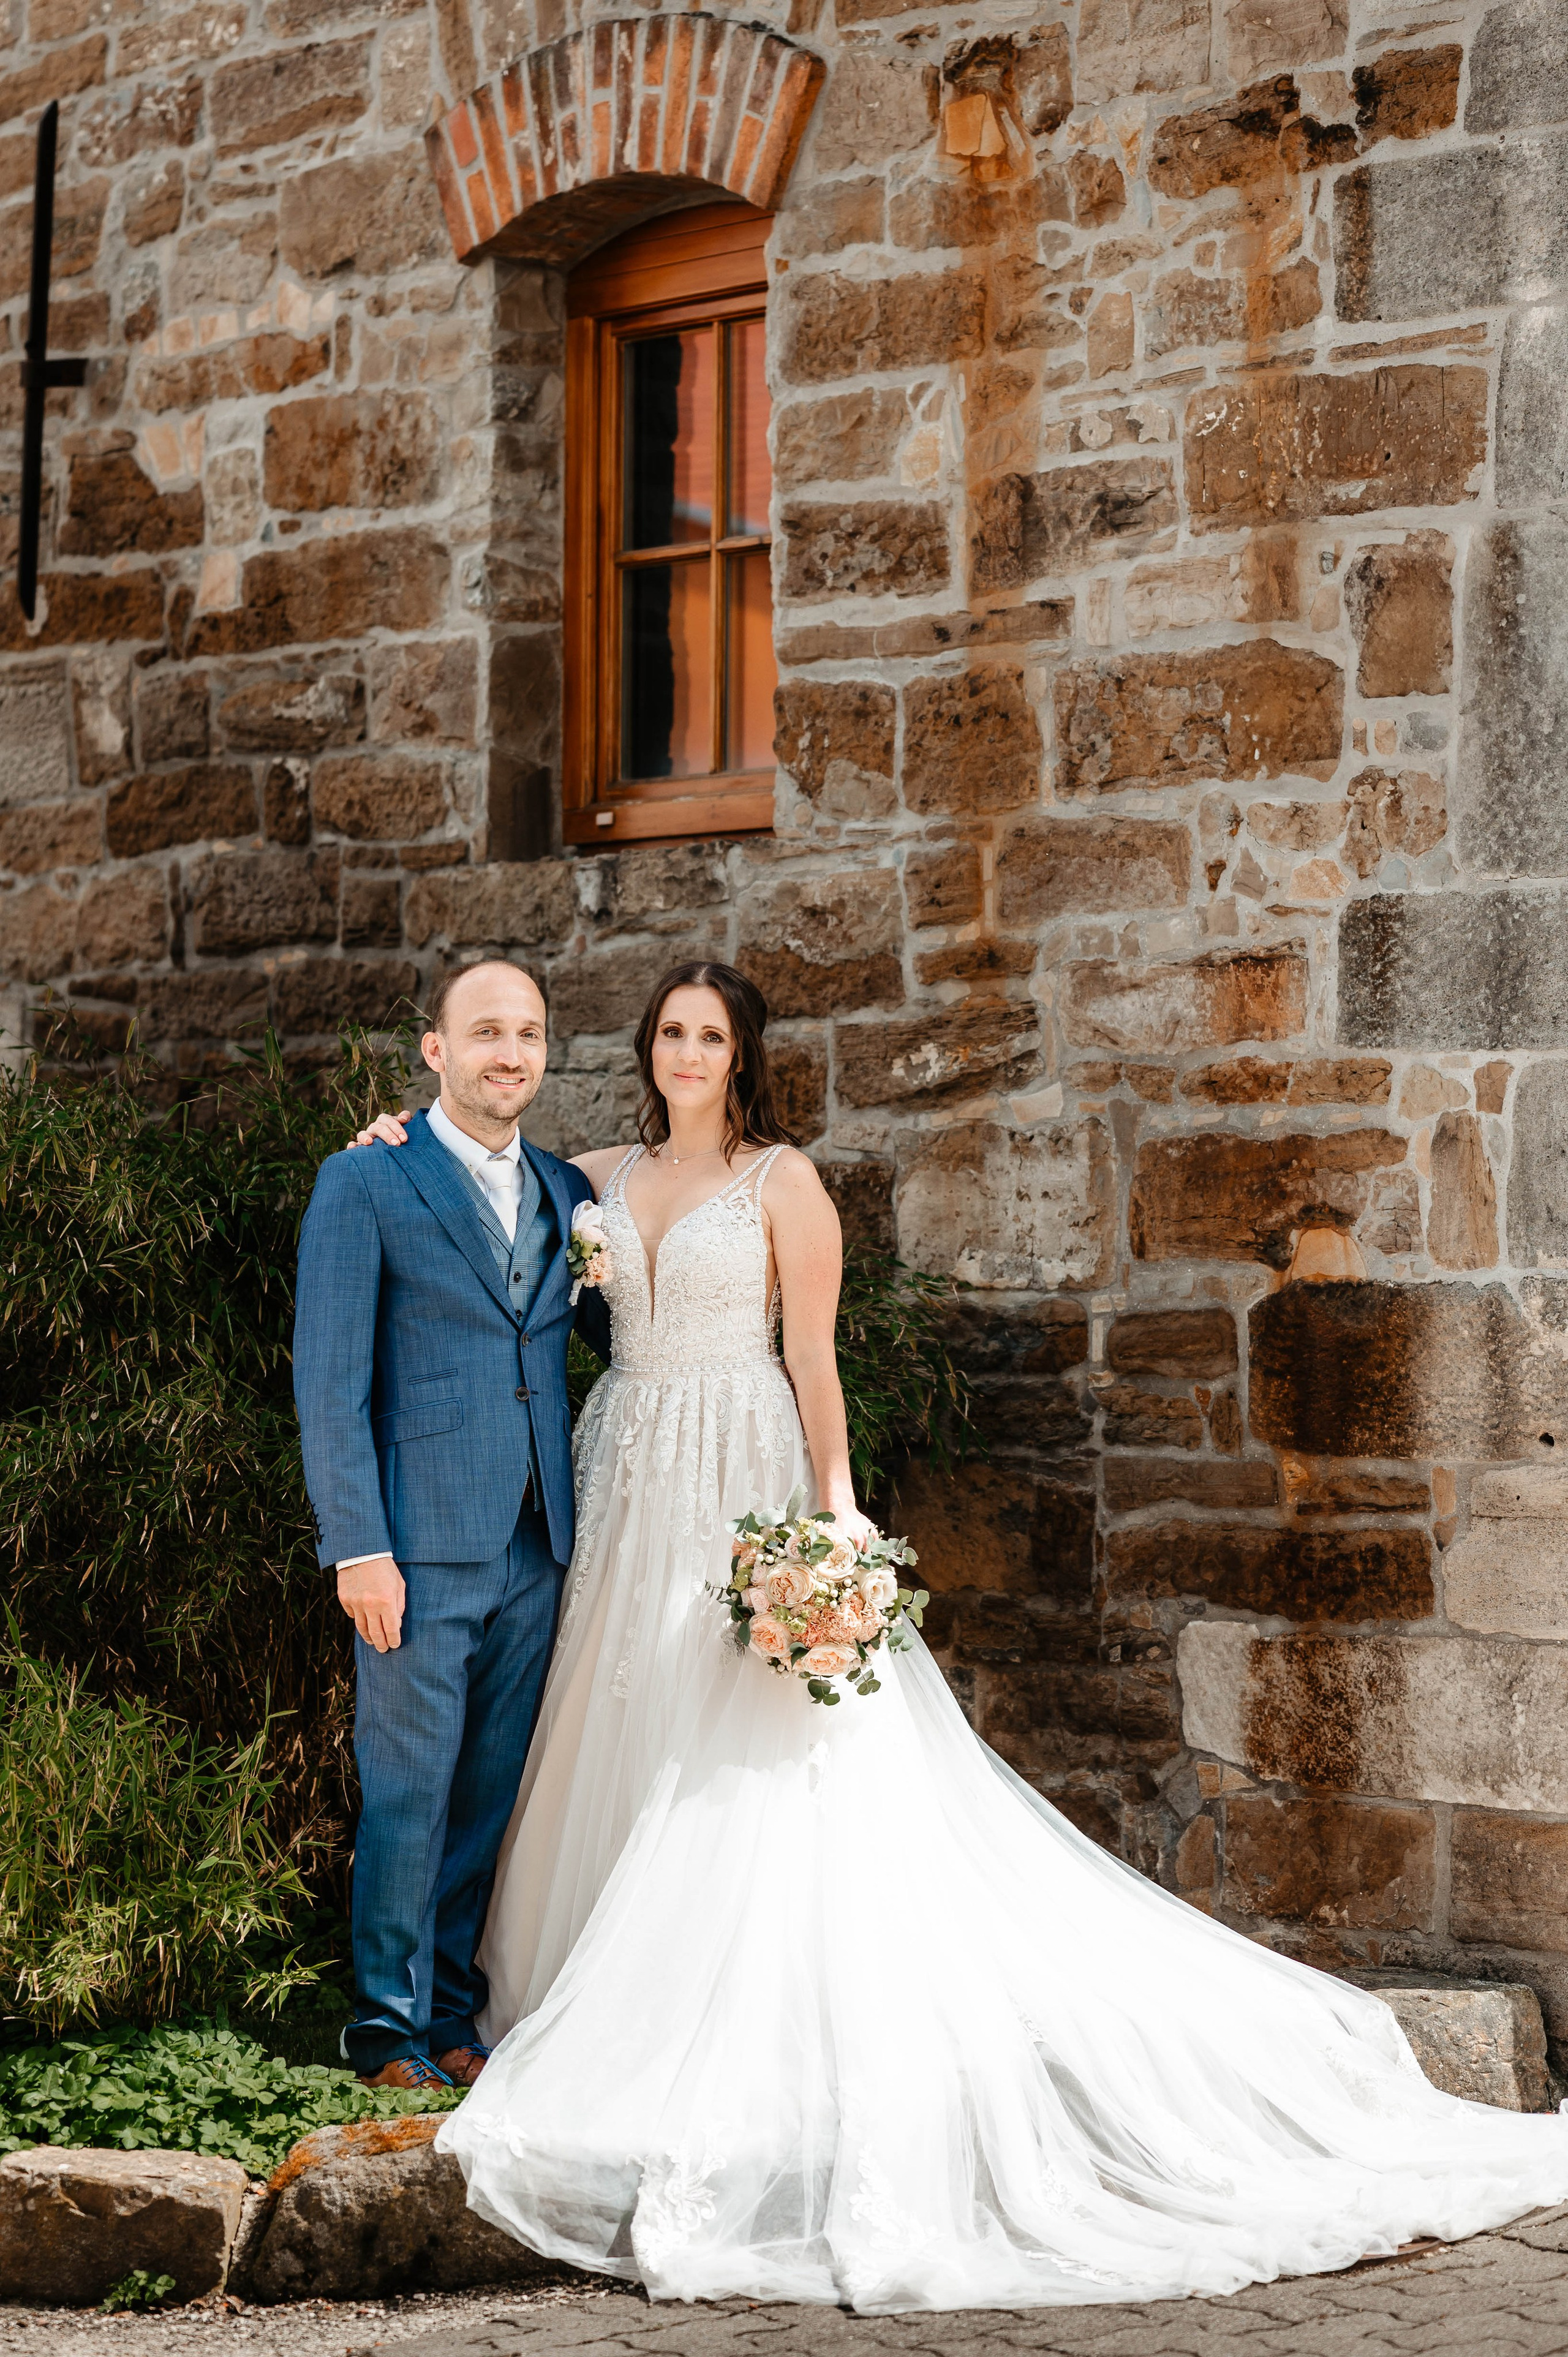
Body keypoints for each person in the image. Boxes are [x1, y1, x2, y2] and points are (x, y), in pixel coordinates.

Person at [350, 959, 1568, 2312]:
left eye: (711, 1036)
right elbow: (479, 1182)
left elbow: (810, 1361)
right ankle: (562, 1999)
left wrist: (832, 1520)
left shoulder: (783, 1184)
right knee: (613, 1705)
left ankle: (742, 2023)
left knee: (745, 1743)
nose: (687, 1052)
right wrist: (391, 1133)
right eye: (670, 1032)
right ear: (645, 1049)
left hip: (737, 1461)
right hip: (621, 1467)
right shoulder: (589, 1178)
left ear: (742, 1056)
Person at [293, 960, 609, 2090]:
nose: (508, 1053)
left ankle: (451, 2020)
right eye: (485, 1033)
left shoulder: (573, 1191)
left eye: (527, 1033)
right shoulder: (365, 1181)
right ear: (436, 1050)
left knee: (487, 1792)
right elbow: (329, 1387)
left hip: (538, 1541)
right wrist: (358, 1549)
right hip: (416, 1550)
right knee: (409, 1788)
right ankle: (383, 2028)